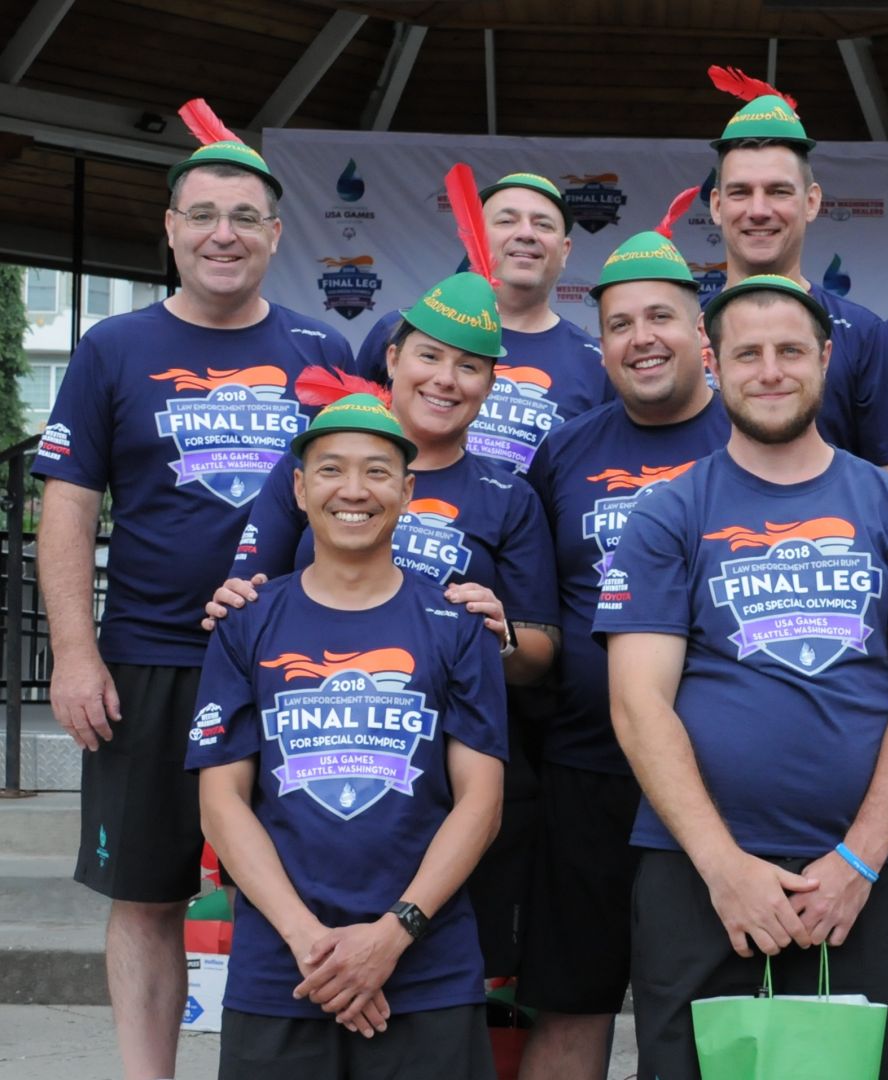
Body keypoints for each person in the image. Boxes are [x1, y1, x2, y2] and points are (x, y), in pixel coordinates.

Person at [32, 102, 352, 1079]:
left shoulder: (321, 351)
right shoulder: (111, 349)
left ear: (275, 234)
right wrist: (75, 652)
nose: (223, 233)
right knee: (147, 895)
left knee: (304, 885)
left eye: (244, 216)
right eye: (203, 214)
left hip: (295, 664)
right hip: (147, 659)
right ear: (170, 228)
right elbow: (70, 508)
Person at [594, 273, 888, 1080]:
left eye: (790, 350)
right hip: (697, 877)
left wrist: (859, 861)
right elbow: (636, 702)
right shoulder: (668, 512)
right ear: (713, 365)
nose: (769, 370)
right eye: (746, 353)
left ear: (825, 361)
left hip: (863, 878)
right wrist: (723, 869)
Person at [207, 269, 557, 978]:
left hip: (442, 778)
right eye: (428, 355)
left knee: (450, 982)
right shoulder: (310, 465)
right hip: (312, 762)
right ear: (391, 359)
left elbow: (541, 649)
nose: (445, 379)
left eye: (468, 366)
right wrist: (229, 606)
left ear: (490, 385)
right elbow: (251, 595)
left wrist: (505, 638)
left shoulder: (507, 496)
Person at [189, 394, 507, 1079]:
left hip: (427, 973)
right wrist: (313, 945)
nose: (354, 491)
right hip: (283, 973)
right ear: (300, 489)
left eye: (377, 471)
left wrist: (391, 937)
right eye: (330, 470)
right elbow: (221, 803)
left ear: (407, 489)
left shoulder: (455, 625)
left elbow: (480, 804)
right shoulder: (245, 624)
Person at [515, 196, 730, 1080]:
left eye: (659, 318)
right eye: (617, 325)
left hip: (724, 778)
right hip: (587, 773)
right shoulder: (563, 453)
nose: (640, 339)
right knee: (572, 1009)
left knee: (711, 1020)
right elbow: (533, 621)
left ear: (700, 331)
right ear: (597, 346)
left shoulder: (758, 439)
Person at [706, 66, 888, 482]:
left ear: (812, 201)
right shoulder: (684, 330)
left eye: (778, 191)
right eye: (740, 192)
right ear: (716, 205)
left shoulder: (863, 334)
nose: (758, 210)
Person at [353, 171, 611, 473]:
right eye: (506, 221)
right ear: (473, 234)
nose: (526, 234)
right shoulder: (404, 328)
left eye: (543, 224)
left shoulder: (595, 362)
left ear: (564, 250)